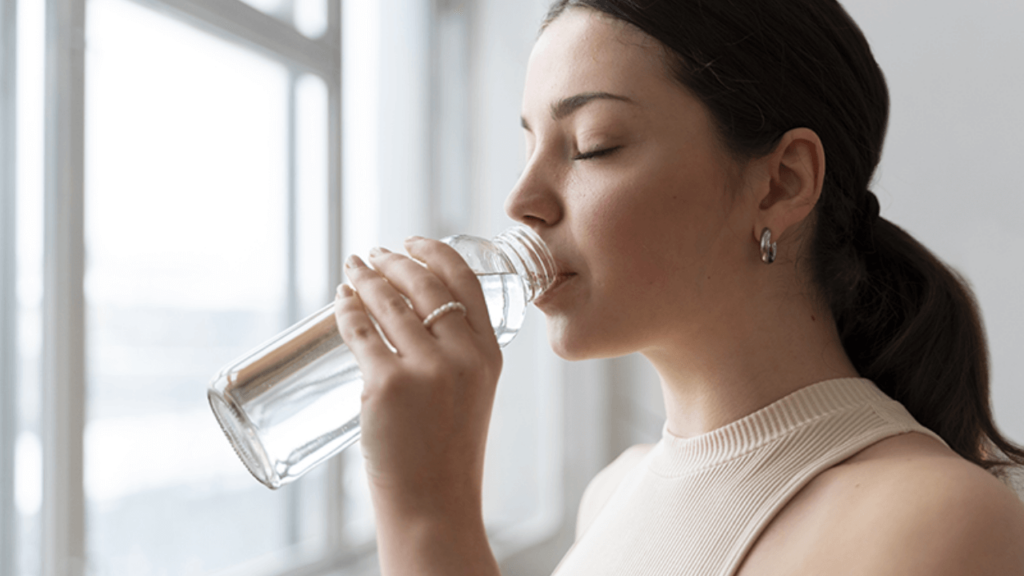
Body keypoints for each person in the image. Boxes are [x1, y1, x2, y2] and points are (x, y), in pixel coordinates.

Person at [333, 0, 1024, 574]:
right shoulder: (611, 494)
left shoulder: (938, 521)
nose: (521, 199)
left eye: (593, 144)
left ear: (782, 183)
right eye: (528, 145)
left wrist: (427, 514)